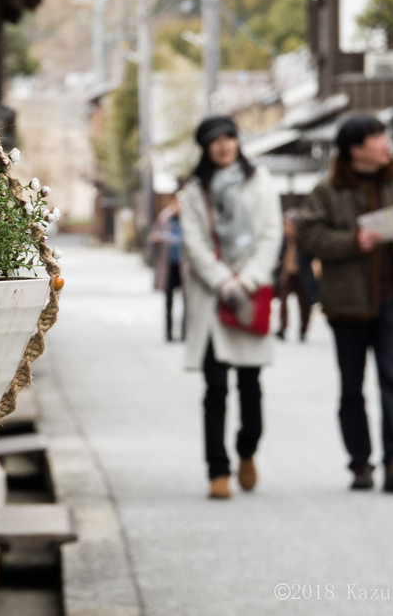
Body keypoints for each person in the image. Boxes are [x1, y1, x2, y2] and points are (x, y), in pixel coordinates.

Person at [297, 114, 393, 493]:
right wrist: (353, 241)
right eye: (377, 137)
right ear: (356, 149)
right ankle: (359, 463)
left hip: (392, 299)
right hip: (346, 302)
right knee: (352, 386)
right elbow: (310, 236)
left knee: (392, 380)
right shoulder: (327, 189)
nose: (385, 143)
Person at [179, 114, 282, 500]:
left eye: (229, 138)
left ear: (238, 142)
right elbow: (195, 245)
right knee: (216, 387)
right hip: (213, 296)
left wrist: (247, 281)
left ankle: (247, 450)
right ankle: (217, 470)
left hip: (250, 294)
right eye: (215, 141)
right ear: (206, 148)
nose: (224, 146)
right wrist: (224, 282)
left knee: (251, 386)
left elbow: (271, 236)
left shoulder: (262, 182)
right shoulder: (194, 192)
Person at [272, 208, 319, 342]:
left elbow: (312, 256)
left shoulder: (304, 241)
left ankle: (303, 330)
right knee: (283, 301)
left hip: (302, 274)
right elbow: (278, 255)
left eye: (289, 225)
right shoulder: (283, 240)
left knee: (304, 303)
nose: (286, 228)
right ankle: (282, 328)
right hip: (286, 274)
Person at [149, 197, 186, 341]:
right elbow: (153, 234)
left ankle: (184, 333)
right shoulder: (165, 217)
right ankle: (169, 333)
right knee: (169, 301)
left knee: (187, 302)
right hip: (169, 265)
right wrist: (156, 239)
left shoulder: (189, 218)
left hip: (185, 268)